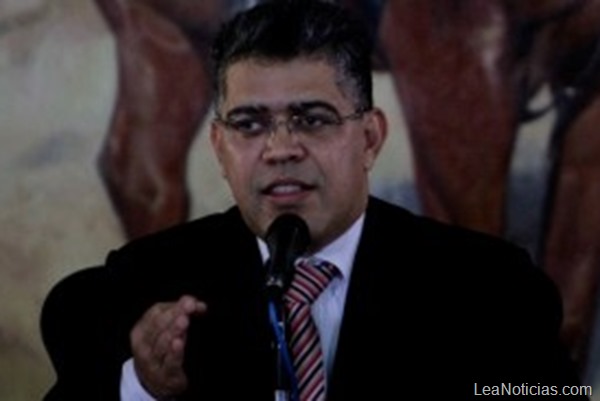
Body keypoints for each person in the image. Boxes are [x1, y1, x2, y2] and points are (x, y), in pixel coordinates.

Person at [42, 1, 588, 400]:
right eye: (249, 124)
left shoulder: (491, 288)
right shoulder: (143, 287)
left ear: (370, 138)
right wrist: (142, 386)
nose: (281, 149)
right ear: (220, 147)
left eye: (313, 119)